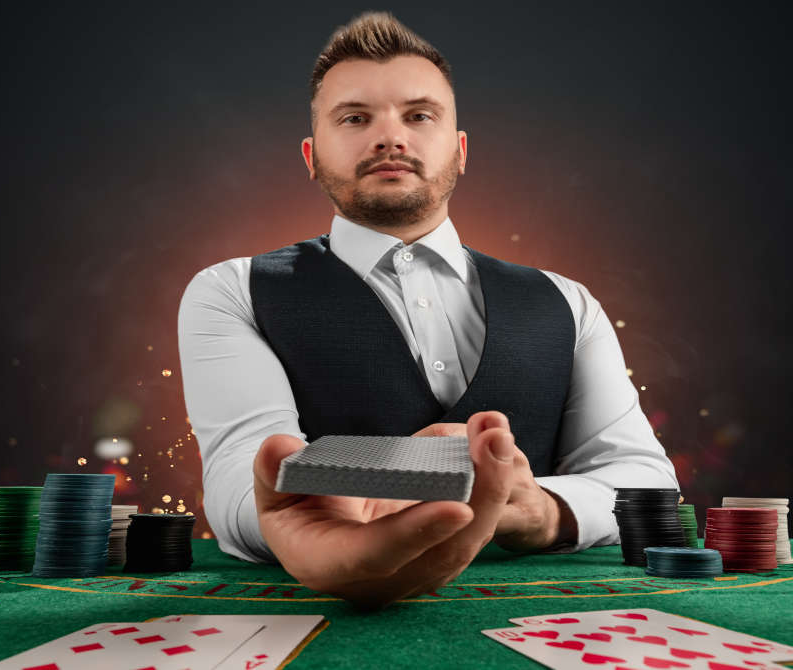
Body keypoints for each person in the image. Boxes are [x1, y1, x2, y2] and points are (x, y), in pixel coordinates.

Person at [177, 11, 678, 609]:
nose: (391, 138)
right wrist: (309, 524)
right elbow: (237, 477)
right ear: (311, 157)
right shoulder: (231, 291)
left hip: (543, 608)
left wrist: (542, 510)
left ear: (460, 150)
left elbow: (644, 480)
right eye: (356, 118)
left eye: (419, 116)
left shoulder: (569, 302)